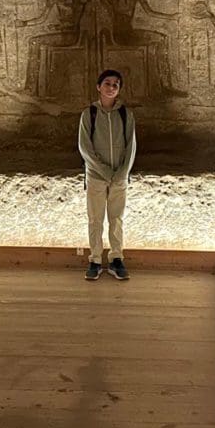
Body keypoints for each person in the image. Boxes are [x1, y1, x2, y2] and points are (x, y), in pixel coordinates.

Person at [78, 69, 136, 281]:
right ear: (99, 87)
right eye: (108, 83)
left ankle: (116, 258)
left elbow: (131, 145)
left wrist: (122, 173)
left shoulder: (125, 114)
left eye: (116, 84)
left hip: (119, 177)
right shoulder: (89, 114)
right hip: (96, 177)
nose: (111, 87)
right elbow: (85, 147)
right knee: (95, 219)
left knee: (117, 219)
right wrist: (104, 171)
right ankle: (94, 259)